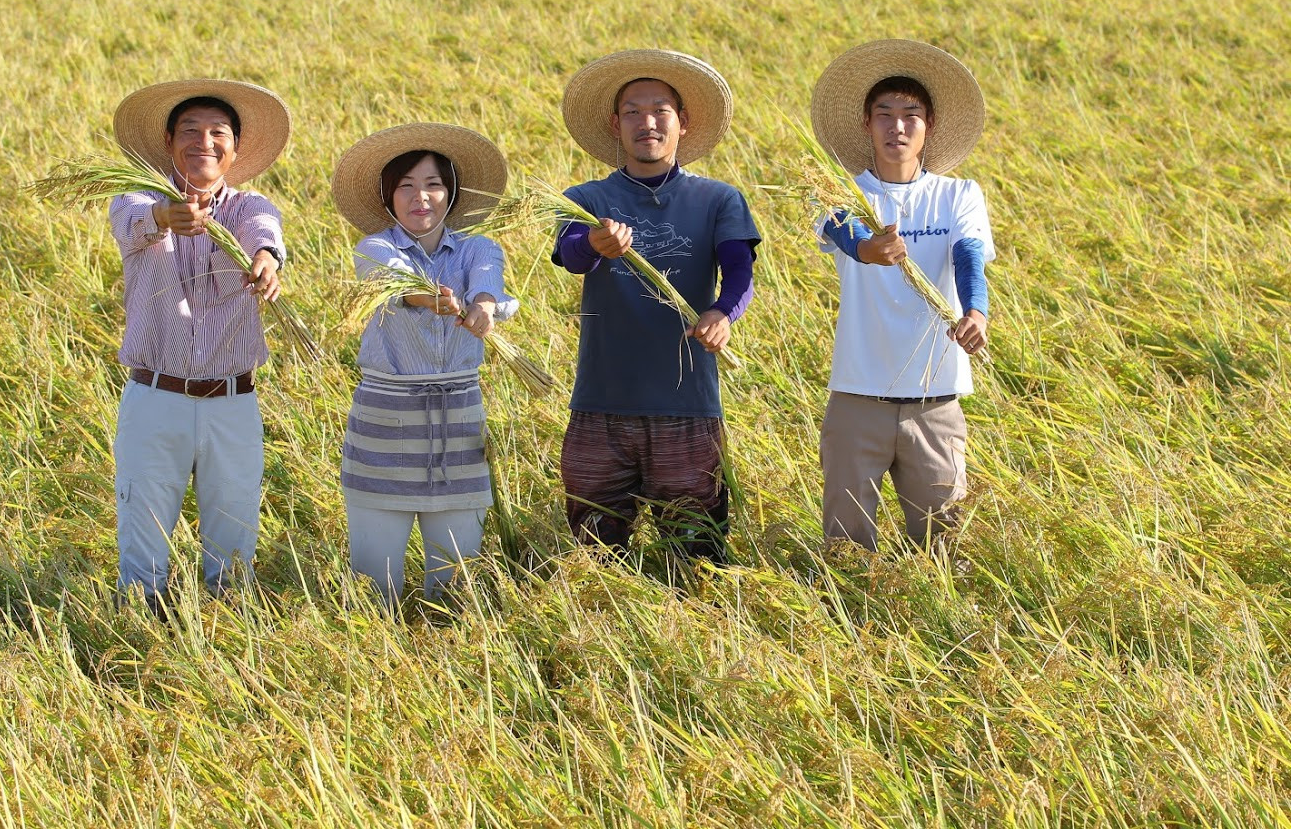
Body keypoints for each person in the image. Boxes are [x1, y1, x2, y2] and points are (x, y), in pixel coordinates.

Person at [552, 50, 761, 564]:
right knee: (594, 555)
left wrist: (722, 313)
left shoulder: (719, 200)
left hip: (686, 407)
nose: (647, 123)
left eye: (660, 110)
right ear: (615, 124)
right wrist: (596, 246)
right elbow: (570, 254)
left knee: (697, 555)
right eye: (632, 112)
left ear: (682, 123)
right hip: (601, 406)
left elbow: (739, 272)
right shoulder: (586, 199)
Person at [107, 79, 291, 613]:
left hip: (233, 403)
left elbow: (266, 229)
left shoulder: (248, 206)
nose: (203, 143)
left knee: (234, 545)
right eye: (190, 131)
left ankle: (227, 648)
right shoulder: (137, 196)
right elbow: (131, 223)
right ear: (168, 141)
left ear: (234, 148)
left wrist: (266, 258)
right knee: (142, 544)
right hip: (155, 399)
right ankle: (136, 644)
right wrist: (167, 218)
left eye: (218, 133)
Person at [810, 39, 994, 551]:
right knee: (845, 546)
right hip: (856, 394)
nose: (897, 127)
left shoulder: (959, 194)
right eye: (885, 115)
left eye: (911, 116)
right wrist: (869, 249)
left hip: (935, 398)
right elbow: (842, 236)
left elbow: (969, 256)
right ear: (867, 124)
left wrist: (976, 311)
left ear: (928, 127)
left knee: (944, 547)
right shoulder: (837, 192)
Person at [330, 123, 515, 607]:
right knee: (374, 587)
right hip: (385, 420)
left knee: (456, 584)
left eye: (433, 185)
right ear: (389, 198)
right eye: (406, 187)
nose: (421, 198)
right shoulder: (374, 247)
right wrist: (430, 299)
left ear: (450, 194)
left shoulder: (478, 247)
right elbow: (394, 284)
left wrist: (485, 307)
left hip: (458, 422)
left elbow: (488, 280)